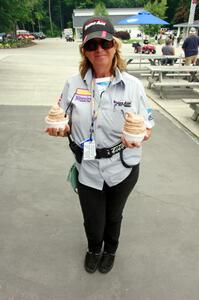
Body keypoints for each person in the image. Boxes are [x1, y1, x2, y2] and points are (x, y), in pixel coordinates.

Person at [45, 16, 154, 274]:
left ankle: (111, 250)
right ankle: (94, 248)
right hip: (87, 167)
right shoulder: (73, 83)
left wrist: (142, 135)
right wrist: (61, 129)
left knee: (114, 216)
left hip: (123, 165)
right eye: (92, 45)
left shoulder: (133, 86)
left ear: (115, 45)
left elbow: (147, 124)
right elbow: (63, 118)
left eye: (104, 44)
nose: (99, 50)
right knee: (93, 220)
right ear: (84, 50)